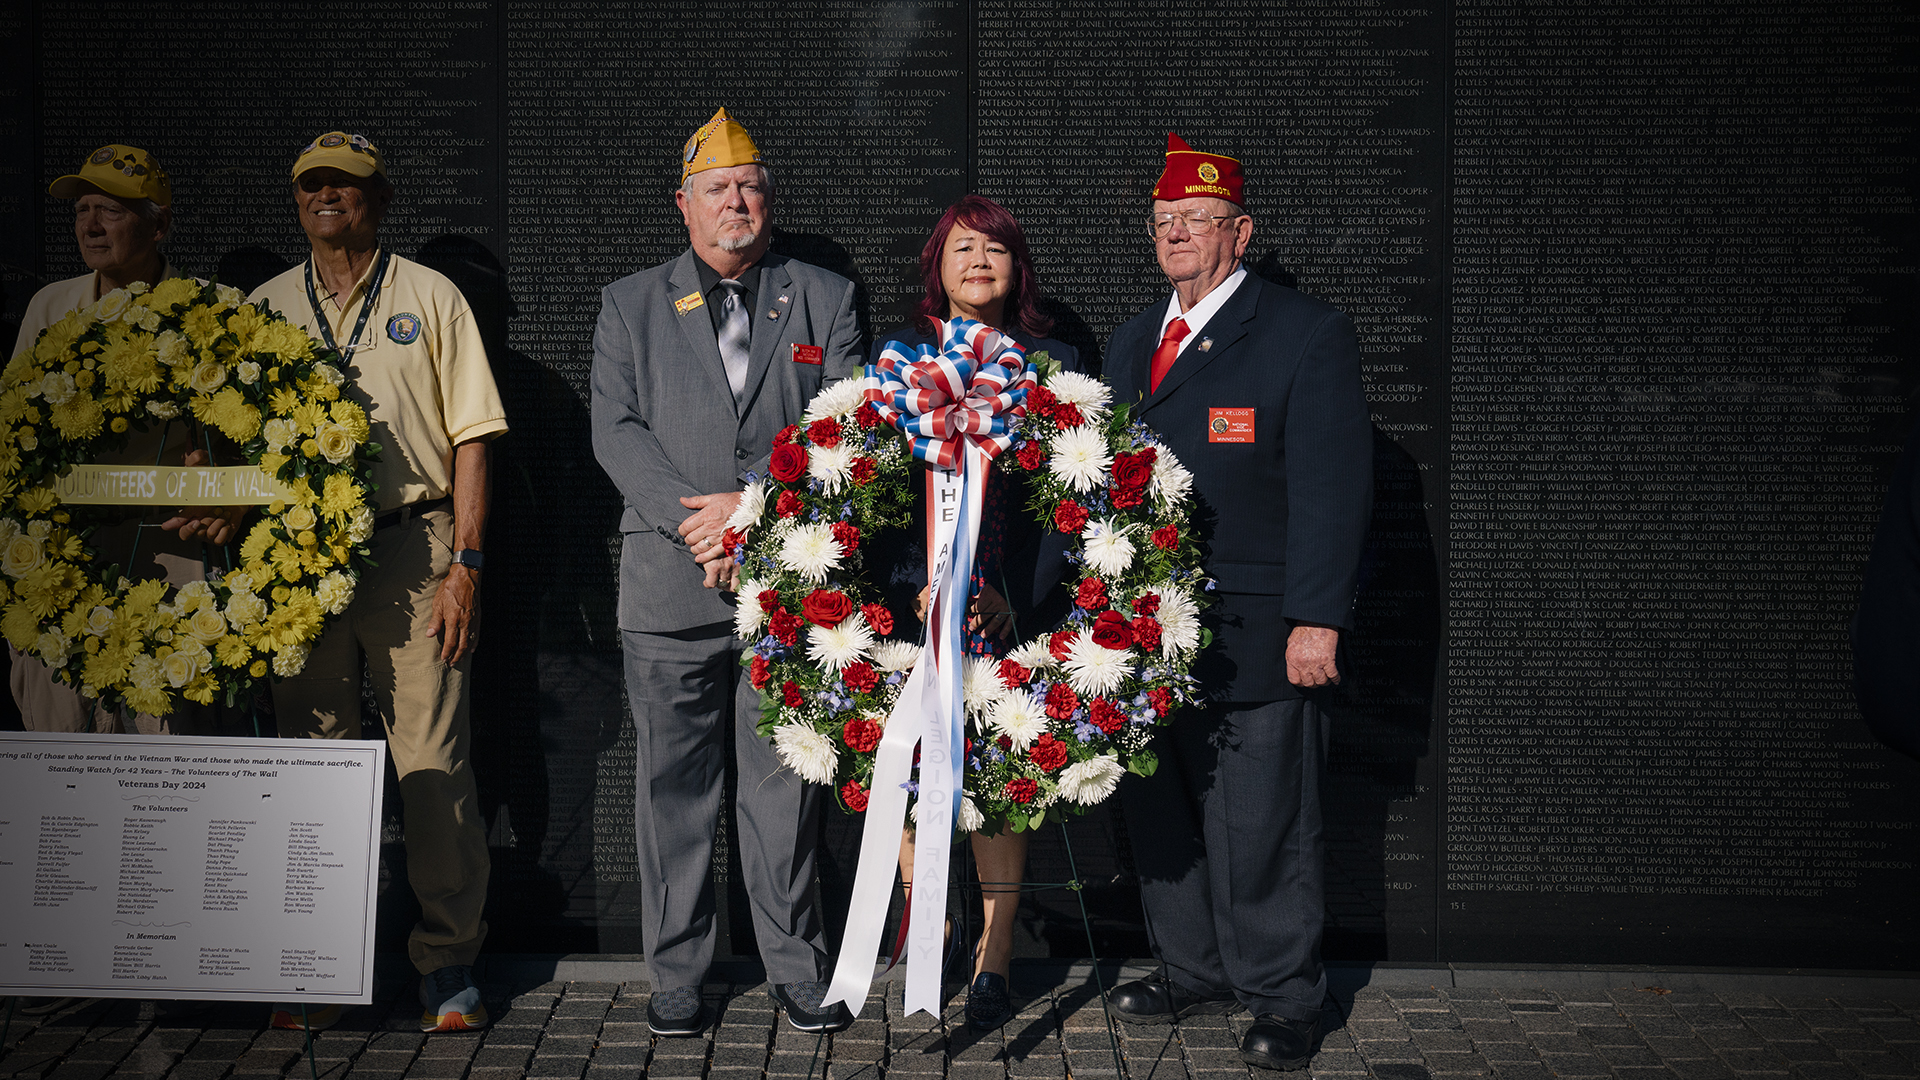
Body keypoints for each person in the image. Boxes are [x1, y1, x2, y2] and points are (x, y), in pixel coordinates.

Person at [590, 108, 863, 1037]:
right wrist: (693, 522)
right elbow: (614, 430)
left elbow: (845, 427)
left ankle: (795, 965)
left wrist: (746, 510)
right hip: (670, 587)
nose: (736, 202)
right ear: (685, 205)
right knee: (671, 788)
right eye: (718, 188)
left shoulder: (823, 295)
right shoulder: (630, 303)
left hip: (786, 583)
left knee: (782, 786)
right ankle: (677, 974)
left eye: (750, 186)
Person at [1101, 134, 1371, 1071]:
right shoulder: (1134, 340)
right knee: (1165, 813)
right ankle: (1193, 966)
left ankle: (1286, 997)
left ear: (1240, 231)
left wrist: (1318, 616)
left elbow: (1333, 486)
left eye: (1197, 220)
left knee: (1263, 820)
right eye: (1164, 221)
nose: (1177, 234)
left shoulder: (1303, 332)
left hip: (1259, 624)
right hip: (1145, 630)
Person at [249, 131, 508, 1035]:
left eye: (347, 185)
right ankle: (316, 962)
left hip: (412, 548)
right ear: (296, 200)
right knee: (310, 766)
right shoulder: (265, 305)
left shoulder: (430, 296)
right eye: (311, 183)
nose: (328, 196)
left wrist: (466, 564)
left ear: (379, 199)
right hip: (298, 560)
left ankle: (447, 963)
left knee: (432, 763)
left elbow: (473, 433)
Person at [868, 194, 1080, 1032]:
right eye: (962, 248)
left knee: (998, 785)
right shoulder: (897, 362)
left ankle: (995, 959)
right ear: (937, 264)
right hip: (914, 613)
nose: (978, 261)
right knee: (911, 770)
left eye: (994, 248)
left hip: (1006, 613)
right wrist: (904, 586)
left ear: (1015, 264)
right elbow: (873, 494)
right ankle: (934, 937)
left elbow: (1071, 502)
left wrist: (1013, 597)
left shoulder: (1053, 363)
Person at [8, 144, 238, 740]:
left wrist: (214, 466)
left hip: (172, 560)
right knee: (59, 745)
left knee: (161, 744)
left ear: (158, 224)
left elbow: (244, 443)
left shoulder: (212, 310)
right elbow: (13, 434)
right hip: (65, 562)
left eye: (109, 210)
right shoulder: (50, 306)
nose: (89, 225)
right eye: (82, 208)